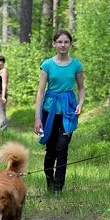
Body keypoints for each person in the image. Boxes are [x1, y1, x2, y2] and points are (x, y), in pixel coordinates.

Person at [34, 30, 85, 194]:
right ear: (54, 44)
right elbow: (41, 92)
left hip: (68, 111)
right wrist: (37, 118)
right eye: (60, 42)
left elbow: (81, 88)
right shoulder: (47, 64)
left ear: (70, 44)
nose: (63, 45)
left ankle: (58, 188)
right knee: (50, 150)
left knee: (62, 148)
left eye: (66, 42)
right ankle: (49, 179)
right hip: (49, 110)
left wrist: (80, 104)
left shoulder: (76, 65)